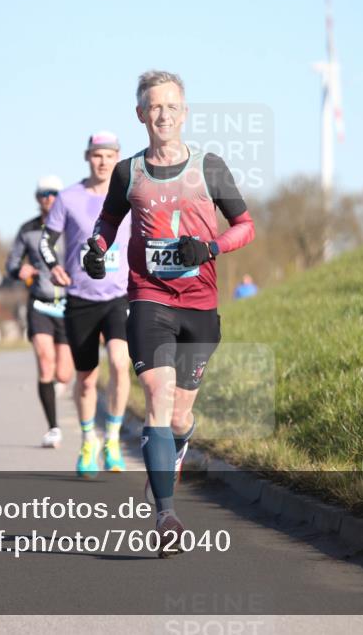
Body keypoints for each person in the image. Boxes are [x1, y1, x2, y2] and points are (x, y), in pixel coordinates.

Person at [83, 71, 255, 556]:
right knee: (157, 400)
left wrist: (210, 248)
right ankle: (167, 516)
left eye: (171, 107)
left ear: (185, 113)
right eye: (154, 107)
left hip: (200, 306)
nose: (163, 115)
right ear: (141, 114)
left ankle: (177, 447)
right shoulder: (127, 173)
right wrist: (96, 248)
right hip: (148, 299)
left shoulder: (209, 166)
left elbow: (245, 226)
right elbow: (108, 223)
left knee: (181, 415)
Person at [38, 132, 132, 478]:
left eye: (109, 155)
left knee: (121, 365)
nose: (103, 161)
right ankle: (89, 440)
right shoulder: (68, 198)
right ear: (87, 157)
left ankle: (113, 438)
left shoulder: (128, 195)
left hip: (119, 294)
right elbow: (47, 243)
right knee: (87, 378)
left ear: (118, 157)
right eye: (97, 155)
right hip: (81, 297)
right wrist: (53, 267)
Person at [5, 175, 74, 449]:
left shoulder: (72, 226)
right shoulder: (27, 230)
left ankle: (59, 388)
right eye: (43, 194)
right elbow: (11, 263)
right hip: (40, 303)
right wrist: (18, 271)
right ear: (37, 199)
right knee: (45, 362)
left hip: (69, 307)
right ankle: (53, 428)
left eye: (53, 194)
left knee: (65, 374)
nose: (48, 199)